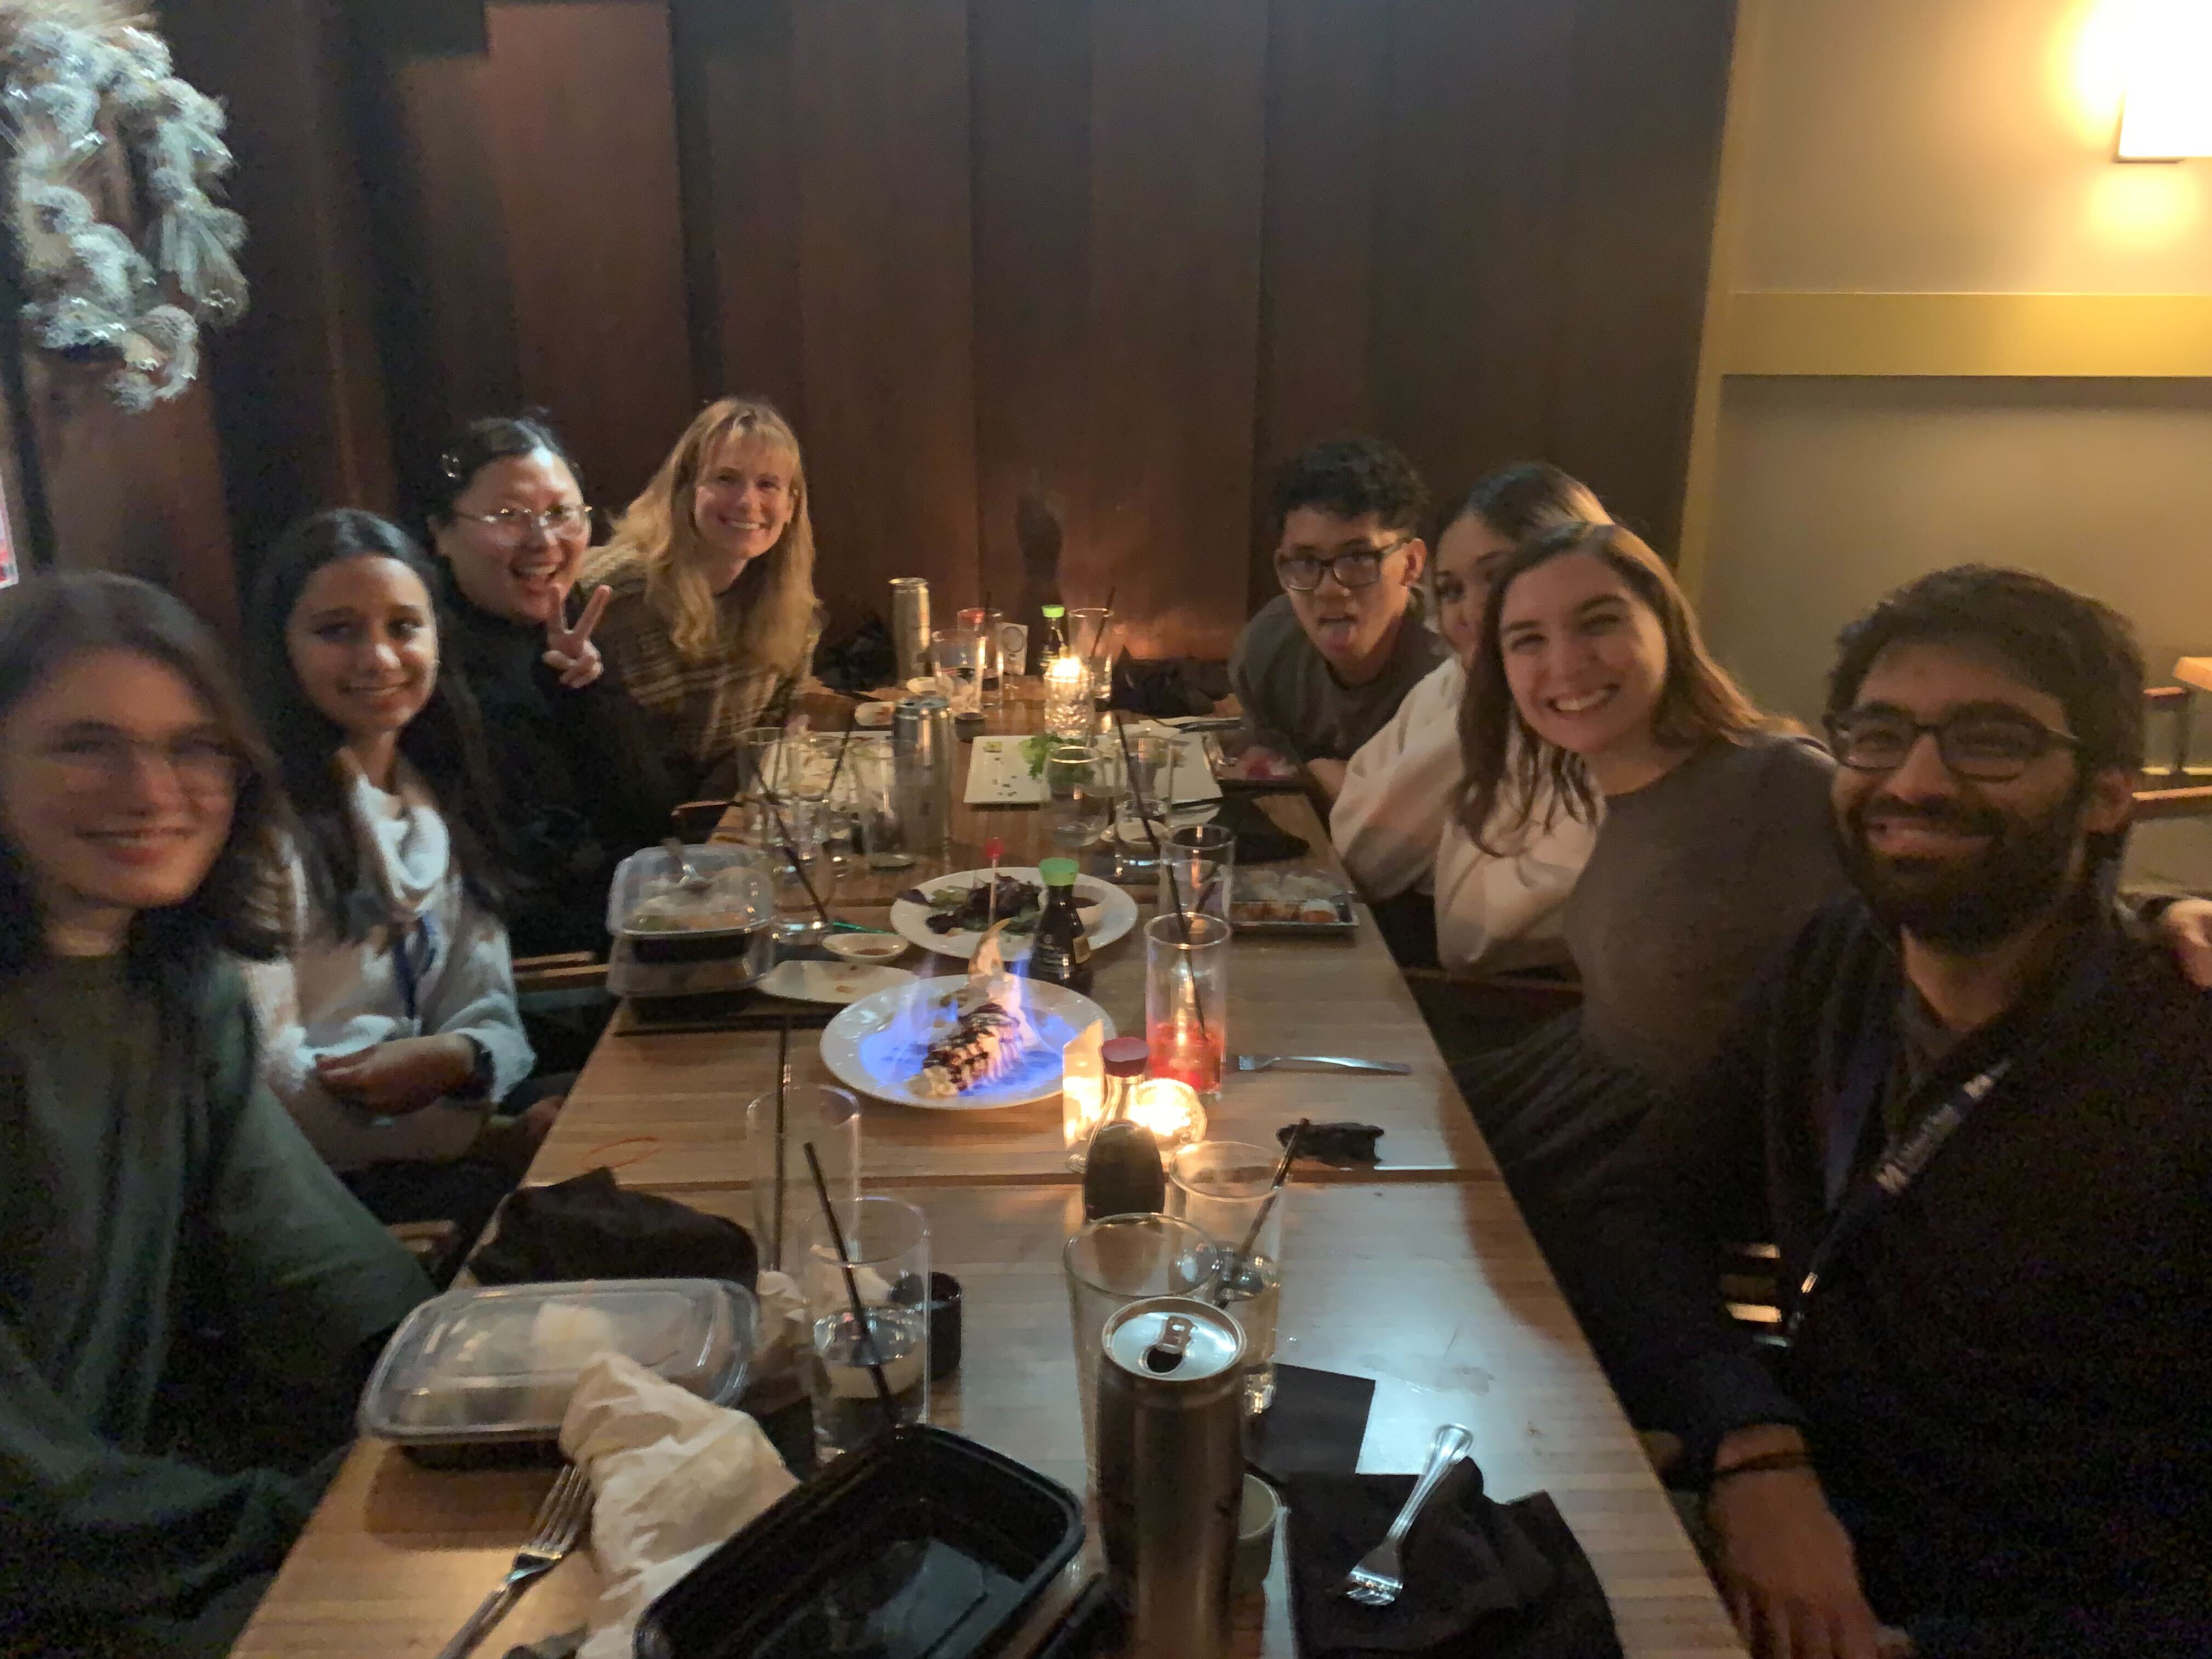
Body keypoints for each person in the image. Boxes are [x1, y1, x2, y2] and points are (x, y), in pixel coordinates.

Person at [1585, 567, 2212, 1659]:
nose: (1916, 781)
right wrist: (1754, 1450)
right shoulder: (1840, 961)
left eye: (1991, 741)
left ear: (2107, 792)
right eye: (1879, 735)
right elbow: (1644, 1209)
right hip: (1787, 1539)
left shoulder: (2179, 1055)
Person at [0, 572, 430, 1656]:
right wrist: (293, 1517)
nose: (152, 791)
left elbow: (302, 1253)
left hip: (154, 1538)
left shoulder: (180, 985)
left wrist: (469, 1382)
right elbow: (29, 1492)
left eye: (193, 746)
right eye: (85, 745)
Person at [1452, 521, 1845, 1257]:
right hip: (1570, 1111)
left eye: (1599, 623)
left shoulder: (1780, 785)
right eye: (1528, 640)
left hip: (1665, 1180)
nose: (1566, 663)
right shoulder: (1617, 787)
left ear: (1666, 625)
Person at [244, 509, 545, 1243]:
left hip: (434, 1136)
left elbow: (490, 1008)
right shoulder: (259, 830)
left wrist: (460, 1057)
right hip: (319, 1186)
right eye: (337, 631)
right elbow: (270, 1084)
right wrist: (481, 1136)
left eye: (404, 627)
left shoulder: (432, 798)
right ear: (281, 649)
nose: (378, 658)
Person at [1331, 461, 1609, 975]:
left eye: (1496, 577)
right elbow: (1356, 845)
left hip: (1512, 1002)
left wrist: (1487, 710)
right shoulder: (1455, 681)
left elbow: (1471, 935)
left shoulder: (1593, 720)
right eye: (1453, 590)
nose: (1471, 611)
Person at [425, 414, 682, 957]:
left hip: (626, 929)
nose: (542, 541)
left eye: (561, 513)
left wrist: (590, 691)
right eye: (508, 516)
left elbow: (651, 816)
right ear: (441, 532)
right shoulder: (427, 664)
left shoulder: (569, 627)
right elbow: (500, 883)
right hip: (539, 973)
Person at [582, 397, 824, 798]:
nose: (748, 502)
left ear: (790, 505)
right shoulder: (612, 594)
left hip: (718, 817)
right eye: (726, 479)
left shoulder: (790, 603)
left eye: (768, 484)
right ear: (685, 490)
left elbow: (770, 734)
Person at [1228, 437, 1449, 798]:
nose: (1330, 590)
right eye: (1305, 562)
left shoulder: (1451, 673)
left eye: (1358, 558)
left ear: (1411, 564)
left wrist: (1319, 773)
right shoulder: (1267, 651)